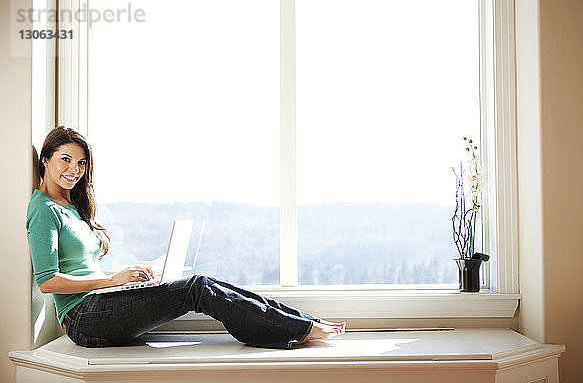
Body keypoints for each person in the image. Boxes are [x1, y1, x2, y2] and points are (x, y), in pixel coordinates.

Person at [26, 126, 346, 349]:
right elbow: (48, 282)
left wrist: (130, 275)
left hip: (98, 304)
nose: (74, 169)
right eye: (65, 160)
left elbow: (82, 268)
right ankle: (299, 330)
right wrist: (111, 282)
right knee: (198, 287)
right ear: (46, 160)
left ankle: (302, 321)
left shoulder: (71, 205)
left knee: (200, 283)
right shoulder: (43, 210)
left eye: (81, 163)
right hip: (83, 319)